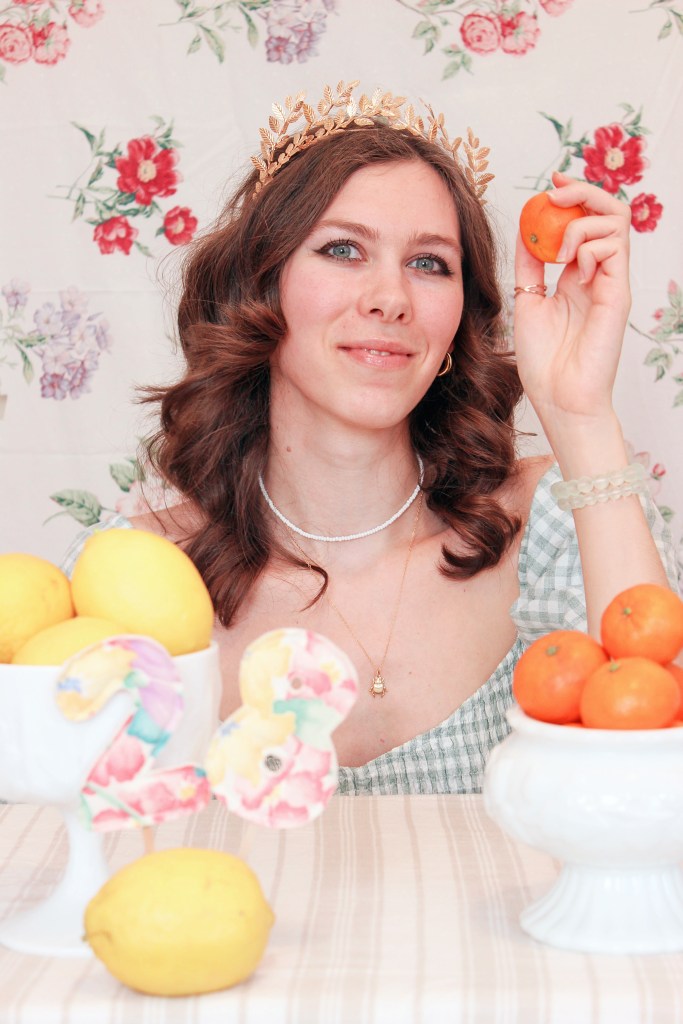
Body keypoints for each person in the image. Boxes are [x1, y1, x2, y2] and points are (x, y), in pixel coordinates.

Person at [64, 83, 679, 795]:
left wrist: (579, 414)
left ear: (457, 322)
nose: (389, 299)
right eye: (342, 249)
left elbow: (659, 788)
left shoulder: (554, 523)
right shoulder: (133, 574)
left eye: (428, 264)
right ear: (259, 289)